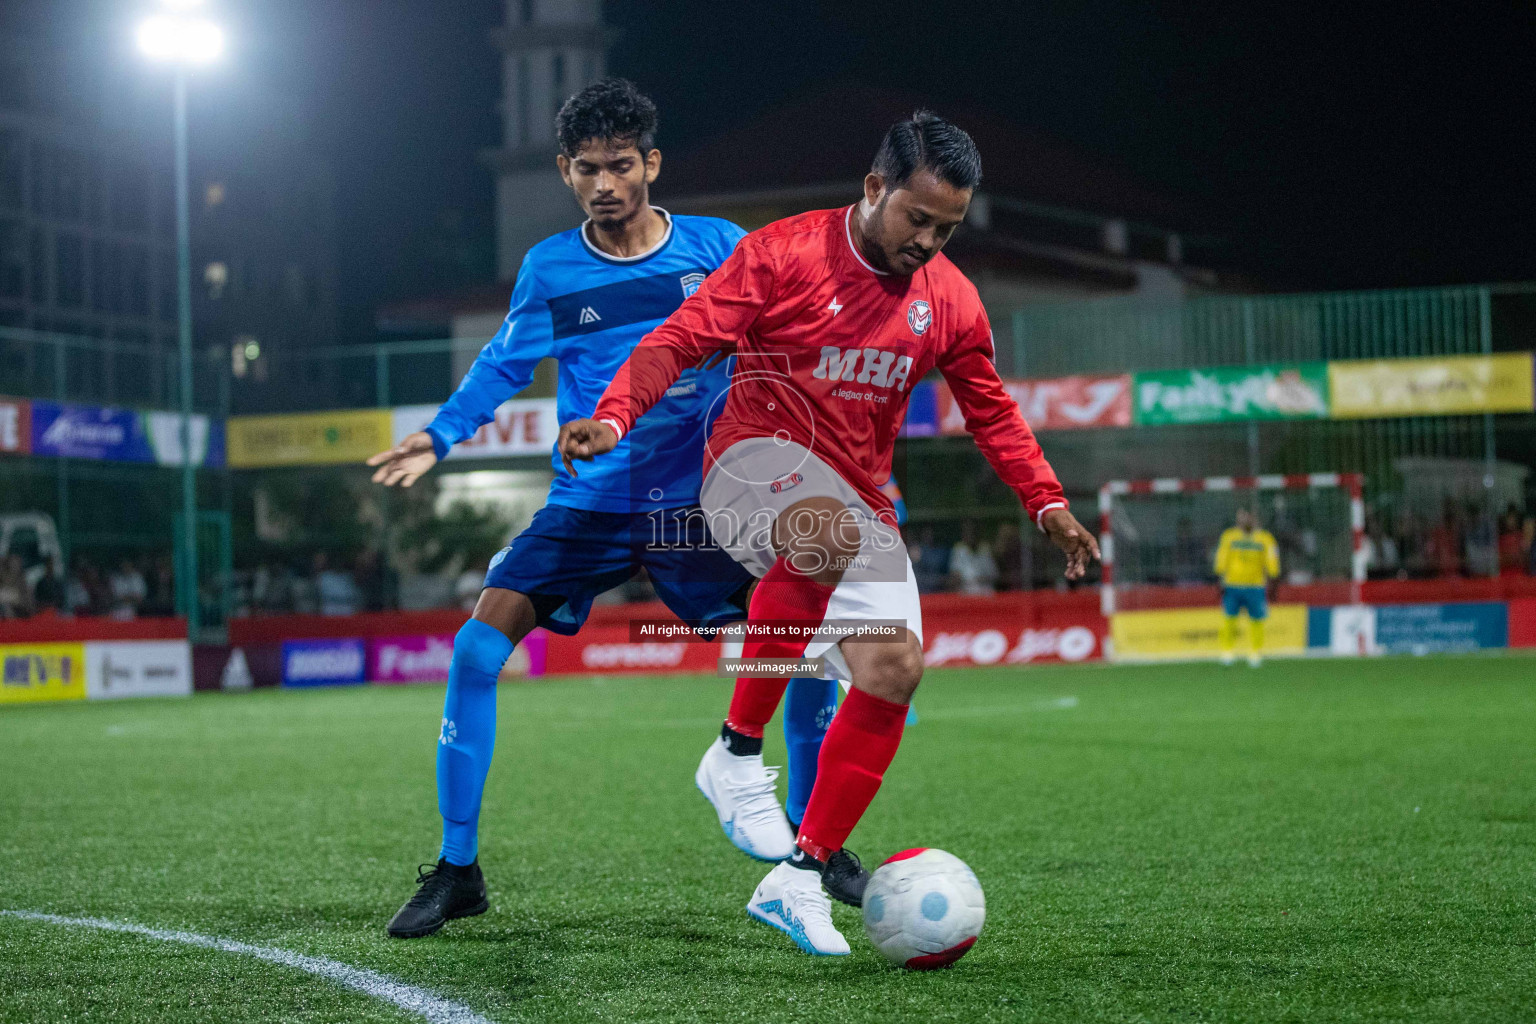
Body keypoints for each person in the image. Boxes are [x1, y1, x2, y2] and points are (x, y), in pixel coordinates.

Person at [560, 110, 1098, 955]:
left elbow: (990, 409)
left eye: (946, 229)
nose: (928, 241)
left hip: (852, 501)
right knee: (821, 530)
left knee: (894, 670)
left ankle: (800, 875)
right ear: (874, 186)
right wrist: (616, 413)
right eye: (917, 218)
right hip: (747, 465)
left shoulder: (949, 299)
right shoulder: (783, 255)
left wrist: (1047, 502)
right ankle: (736, 754)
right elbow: (679, 339)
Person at [365, 80, 843, 939]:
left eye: (621, 165)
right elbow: (505, 366)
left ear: (651, 164)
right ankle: (458, 868)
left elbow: (787, 337)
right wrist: (437, 437)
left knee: (807, 650)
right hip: (591, 499)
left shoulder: (718, 249)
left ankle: (815, 850)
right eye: (587, 170)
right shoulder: (551, 268)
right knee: (476, 651)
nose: (605, 184)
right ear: (565, 171)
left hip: (700, 503)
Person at [1214, 508, 1280, 667]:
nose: (1243, 520)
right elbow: (1222, 558)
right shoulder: (1229, 537)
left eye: (1247, 517)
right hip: (1232, 585)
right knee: (1229, 620)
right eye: (1240, 517)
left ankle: (1255, 652)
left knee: (1257, 620)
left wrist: (1273, 578)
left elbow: (1272, 560)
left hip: (1255, 586)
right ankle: (1227, 651)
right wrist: (1219, 577)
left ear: (1254, 518)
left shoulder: (1265, 538)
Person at [948, 520, 997, 595]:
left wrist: (979, 579)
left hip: (985, 595)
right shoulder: (959, 550)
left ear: (977, 534)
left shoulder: (985, 549)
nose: (970, 536)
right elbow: (955, 575)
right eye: (967, 533)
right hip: (966, 595)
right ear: (963, 535)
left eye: (973, 532)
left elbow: (994, 575)